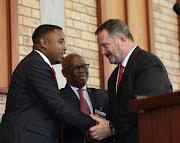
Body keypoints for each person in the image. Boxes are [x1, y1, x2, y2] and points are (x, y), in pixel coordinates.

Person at [0, 24, 96, 143]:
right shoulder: (35, 65)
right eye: (61, 42)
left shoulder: (36, 63)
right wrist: (94, 124)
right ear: (44, 43)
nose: (65, 47)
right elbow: (57, 105)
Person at [89, 19, 173, 143]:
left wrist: (112, 127)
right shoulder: (113, 77)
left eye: (105, 45)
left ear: (122, 39)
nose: (102, 52)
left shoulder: (148, 63)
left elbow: (144, 103)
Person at [60, 53, 109, 143]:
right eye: (75, 68)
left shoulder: (103, 96)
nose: (81, 70)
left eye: (84, 66)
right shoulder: (59, 98)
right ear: (64, 73)